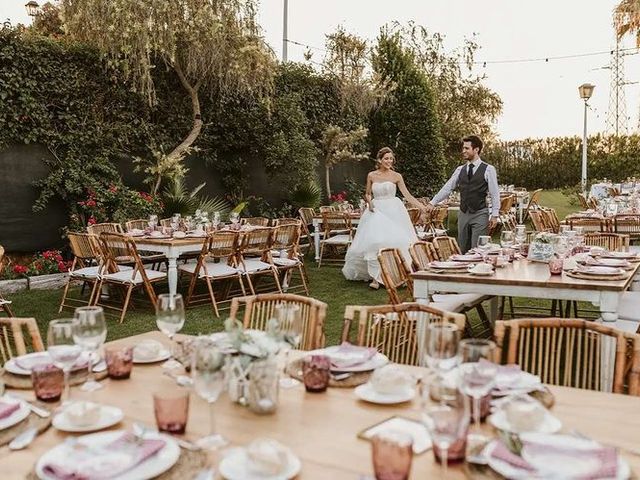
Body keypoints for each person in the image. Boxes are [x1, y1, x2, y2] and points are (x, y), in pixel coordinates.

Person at [342, 147, 428, 289]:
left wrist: (421, 206)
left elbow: (407, 195)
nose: (389, 161)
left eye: (391, 158)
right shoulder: (371, 175)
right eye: (386, 158)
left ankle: (398, 274)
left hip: (394, 211)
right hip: (376, 211)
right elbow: (368, 193)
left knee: (396, 241)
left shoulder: (396, 176)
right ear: (379, 160)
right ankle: (376, 278)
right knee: (375, 242)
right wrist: (369, 203)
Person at [427, 135, 500, 253]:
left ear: (476, 150)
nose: (463, 151)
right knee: (463, 249)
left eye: (466, 148)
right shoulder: (459, 170)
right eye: (463, 148)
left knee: (479, 249)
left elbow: (494, 193)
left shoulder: (488, 169)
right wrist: (432, 202)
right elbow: (447, 188)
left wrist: (495, 215)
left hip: (480, 213)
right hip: (463, 213)